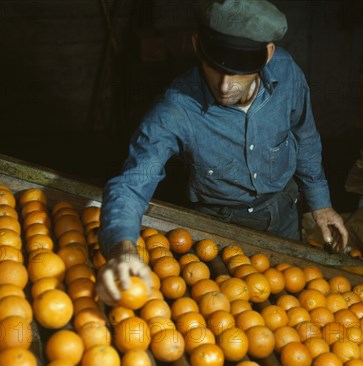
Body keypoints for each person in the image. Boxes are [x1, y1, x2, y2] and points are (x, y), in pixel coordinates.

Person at [96, 0, 348, 305]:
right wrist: (122, 247)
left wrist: (320, 204)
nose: (225, 85)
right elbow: (134, 181)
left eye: (239, 72)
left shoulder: (287, 74)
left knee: (287, 306)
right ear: (197, 46)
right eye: (214, 67)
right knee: (223, 312)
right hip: (217, 231)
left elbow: (305, 137)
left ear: (267, 54)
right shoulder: (176, 110)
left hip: (283, 216)